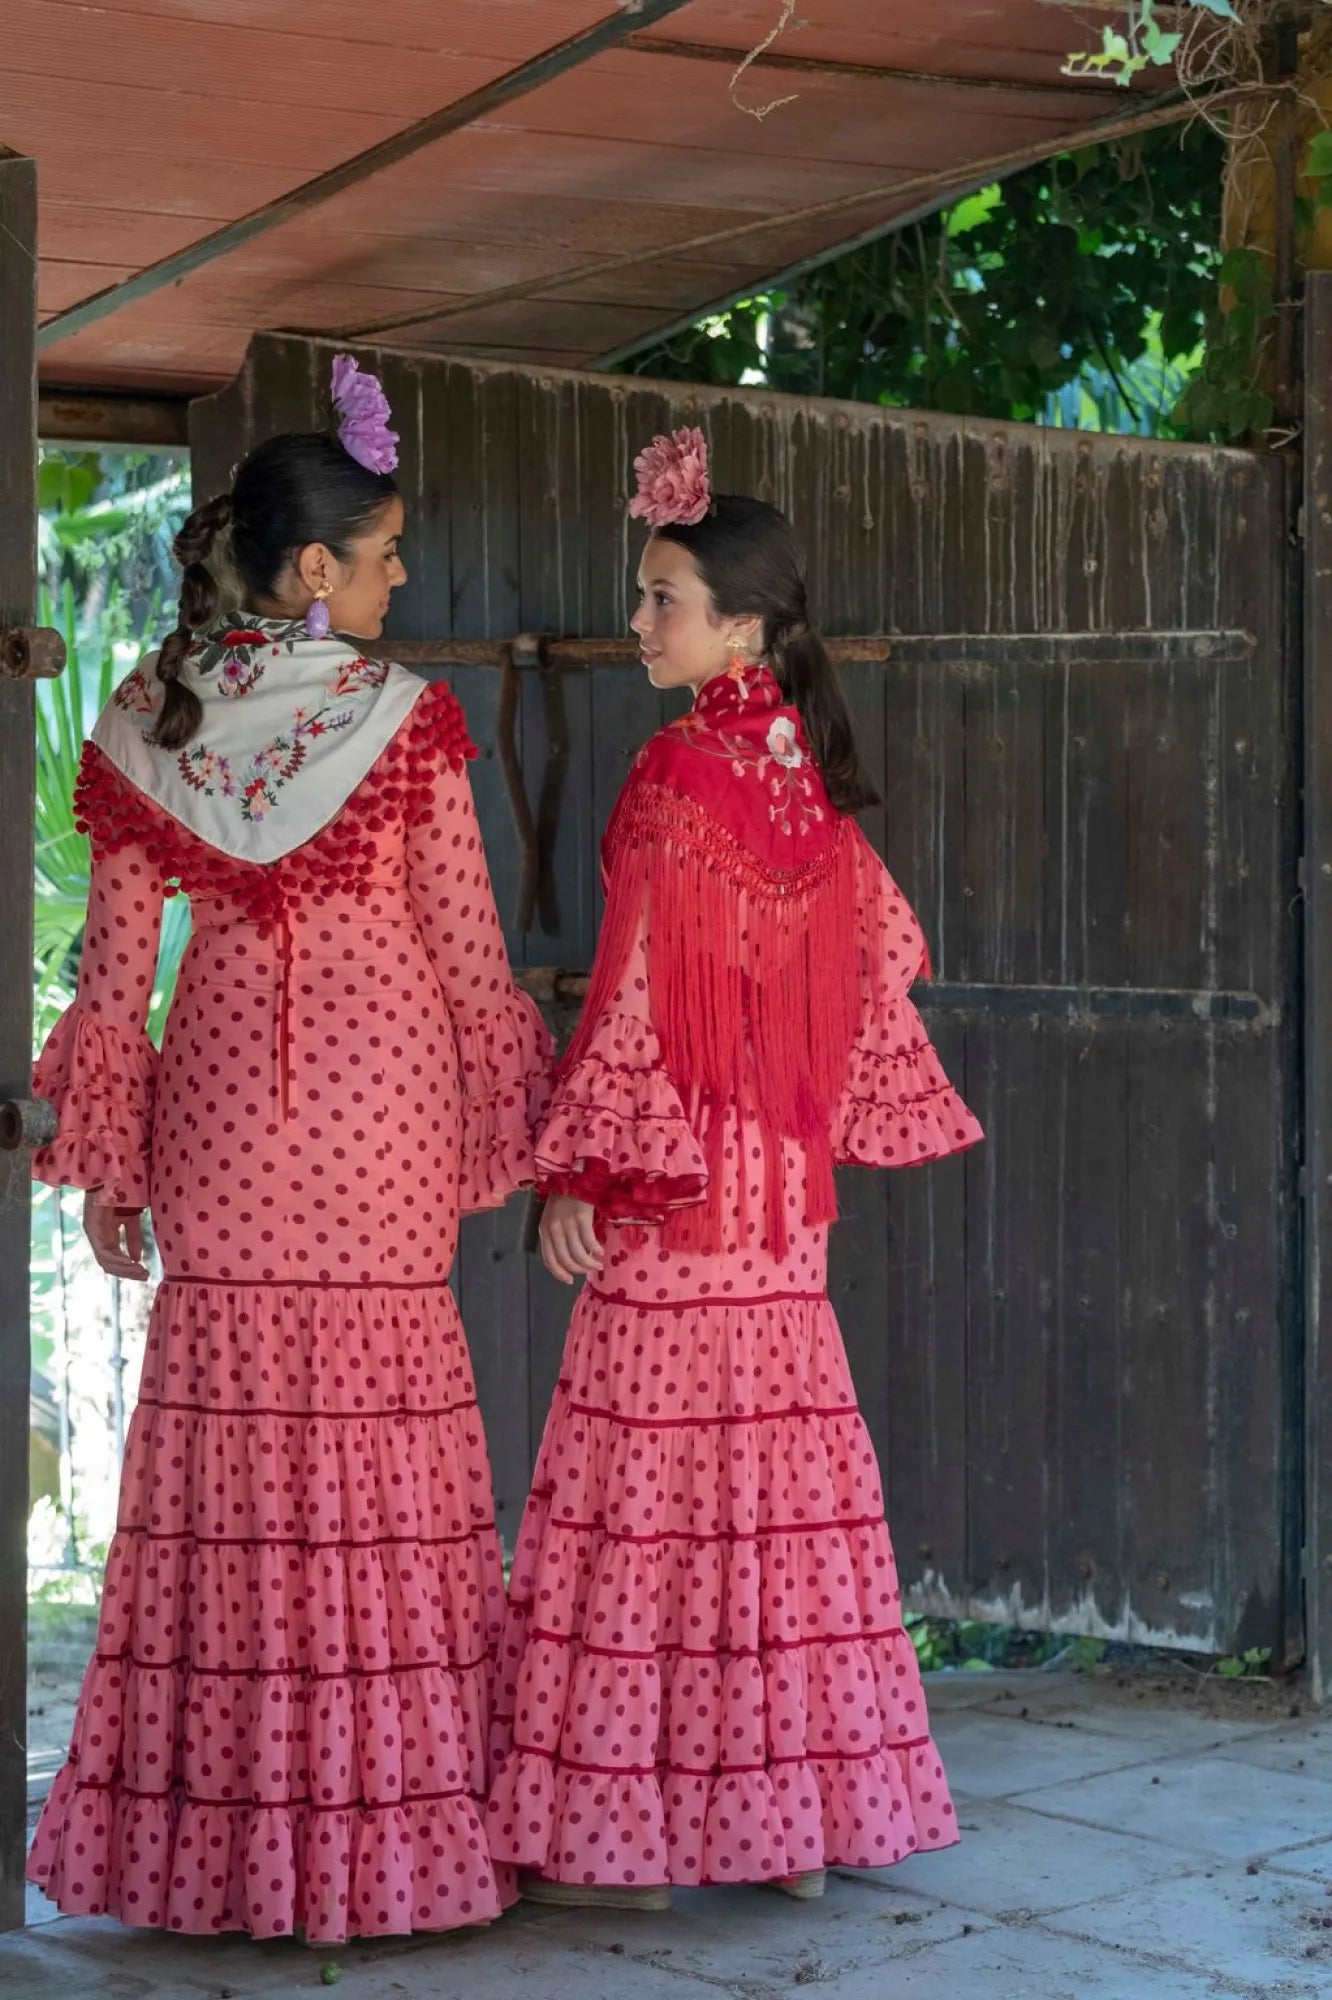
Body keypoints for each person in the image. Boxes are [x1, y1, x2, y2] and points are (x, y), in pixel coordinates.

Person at [26, 356, 551, 1943]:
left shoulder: (142, 716)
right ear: (314, 568)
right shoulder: (400, 719)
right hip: (382, 1132)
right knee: (384, 1470)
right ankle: (392, 1849)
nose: (400, 575)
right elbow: (471, 965)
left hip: (222, 1146)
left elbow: (114, 983)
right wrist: (518, 1139)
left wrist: (116, 1164)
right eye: (384, 552)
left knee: (229, 1475)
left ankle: (222, 1862)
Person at [487, 427, 982, 1909]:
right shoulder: (809, 783)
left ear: (743, 625)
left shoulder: (673, 773)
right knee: (773, 1490)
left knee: (644, 1495)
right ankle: (789, 1841)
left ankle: (625, 1859)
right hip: (781, 1191)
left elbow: (632, 991)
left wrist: (580, 1173)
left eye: (661, 600)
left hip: (678, 1181)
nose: (637, 623)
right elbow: (891, 957)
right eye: (641, 595)